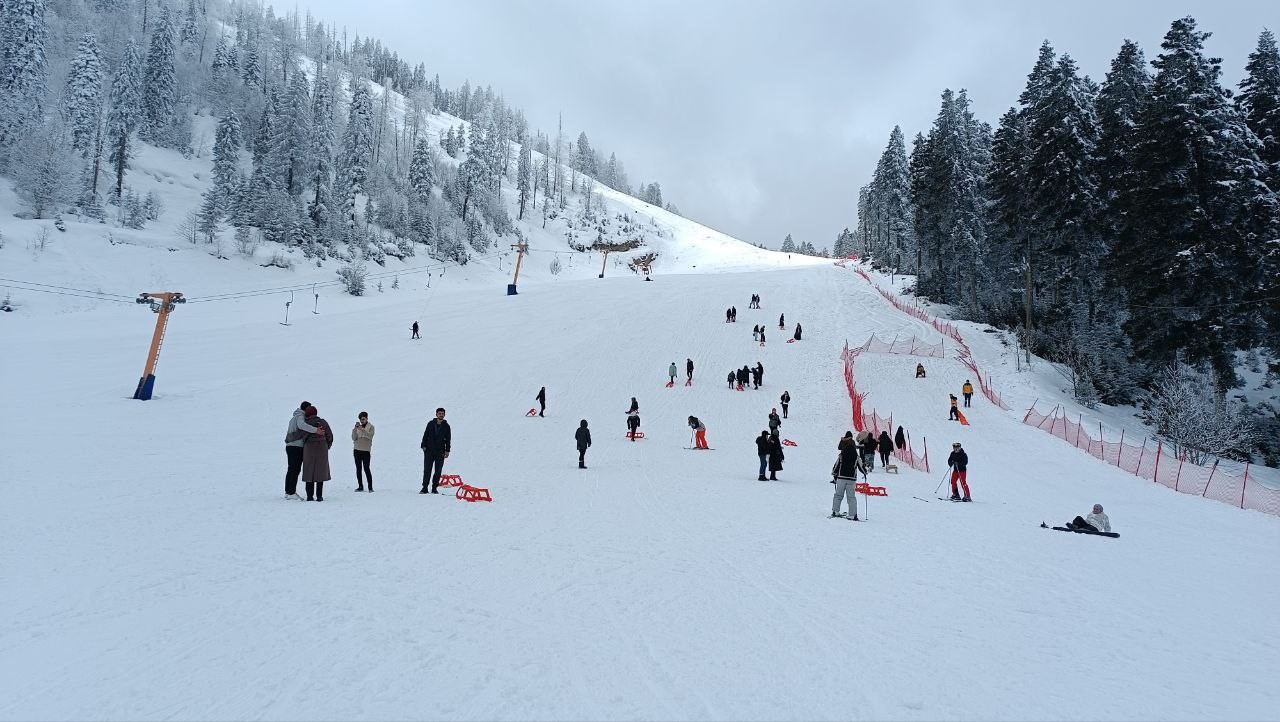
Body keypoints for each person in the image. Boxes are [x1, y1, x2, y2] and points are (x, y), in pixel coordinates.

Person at [295, 406, 334, 501]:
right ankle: (319, 496)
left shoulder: (306, 423)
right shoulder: (323, 422)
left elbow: (301, 436)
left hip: (309, 448)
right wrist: (327, 446)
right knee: (320, 471)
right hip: (322, 448)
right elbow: (330, 435)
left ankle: (309, 496)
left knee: (309, 471)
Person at [420, 407, 452, 494]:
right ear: (436, 414)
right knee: (427, 470)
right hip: (429, 451)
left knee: (438, 471)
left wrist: (447, 451)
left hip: (440, 452)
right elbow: (425, 435)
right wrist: (423, 446)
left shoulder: (446, 426)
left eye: (442, 413)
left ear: (444, 415)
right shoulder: (430, 424)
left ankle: (434, 488)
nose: (441, 415)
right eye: (439, 413)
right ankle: (424, 488)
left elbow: (448, 439)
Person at [283, 401, 311, 499]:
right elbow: (302, 426)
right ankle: (291, 492)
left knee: (291, 469)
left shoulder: (293, 418)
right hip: (296, 447)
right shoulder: (300, 417)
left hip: (290, 446)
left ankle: (288, 491)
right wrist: (316, 430)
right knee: (295, 469)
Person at [831, 438, 864, 519]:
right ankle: (852, 515)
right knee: (851, 497)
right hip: (851, 479)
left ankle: (835, 511)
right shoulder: (856, 456)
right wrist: (865, 473)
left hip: (841, 478)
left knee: (838, 495)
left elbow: (836, 465)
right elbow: (861, 466)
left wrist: (834, 473)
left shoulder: (842, 455)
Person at [352, 411, 375, 492]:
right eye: (361, 419)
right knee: (358, 469)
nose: (362, 421)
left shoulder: (371, 427)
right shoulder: (358, 427)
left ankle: (370, 487)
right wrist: (355, 429)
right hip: (357, 450)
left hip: (366, 451)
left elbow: (370, 436)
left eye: (363, 419)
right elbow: (354, 438)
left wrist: (363, 430)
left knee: (366, 469)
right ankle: (360, 486)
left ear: (367, 418)